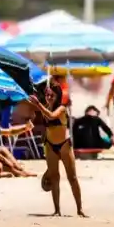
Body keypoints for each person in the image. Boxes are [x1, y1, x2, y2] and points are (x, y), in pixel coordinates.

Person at [29, 82, 86, 217]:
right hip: (50, 145)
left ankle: (79, 209)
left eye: (51, 95)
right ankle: (57, 210)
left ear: (58, 96)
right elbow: (47, 125)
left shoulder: (62, 108)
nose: (48, 97)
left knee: (72, 178)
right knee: (55, 178)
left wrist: (38, 104)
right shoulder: (46, 107)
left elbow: (52, 116)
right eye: (47, 95)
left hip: (64, 145)